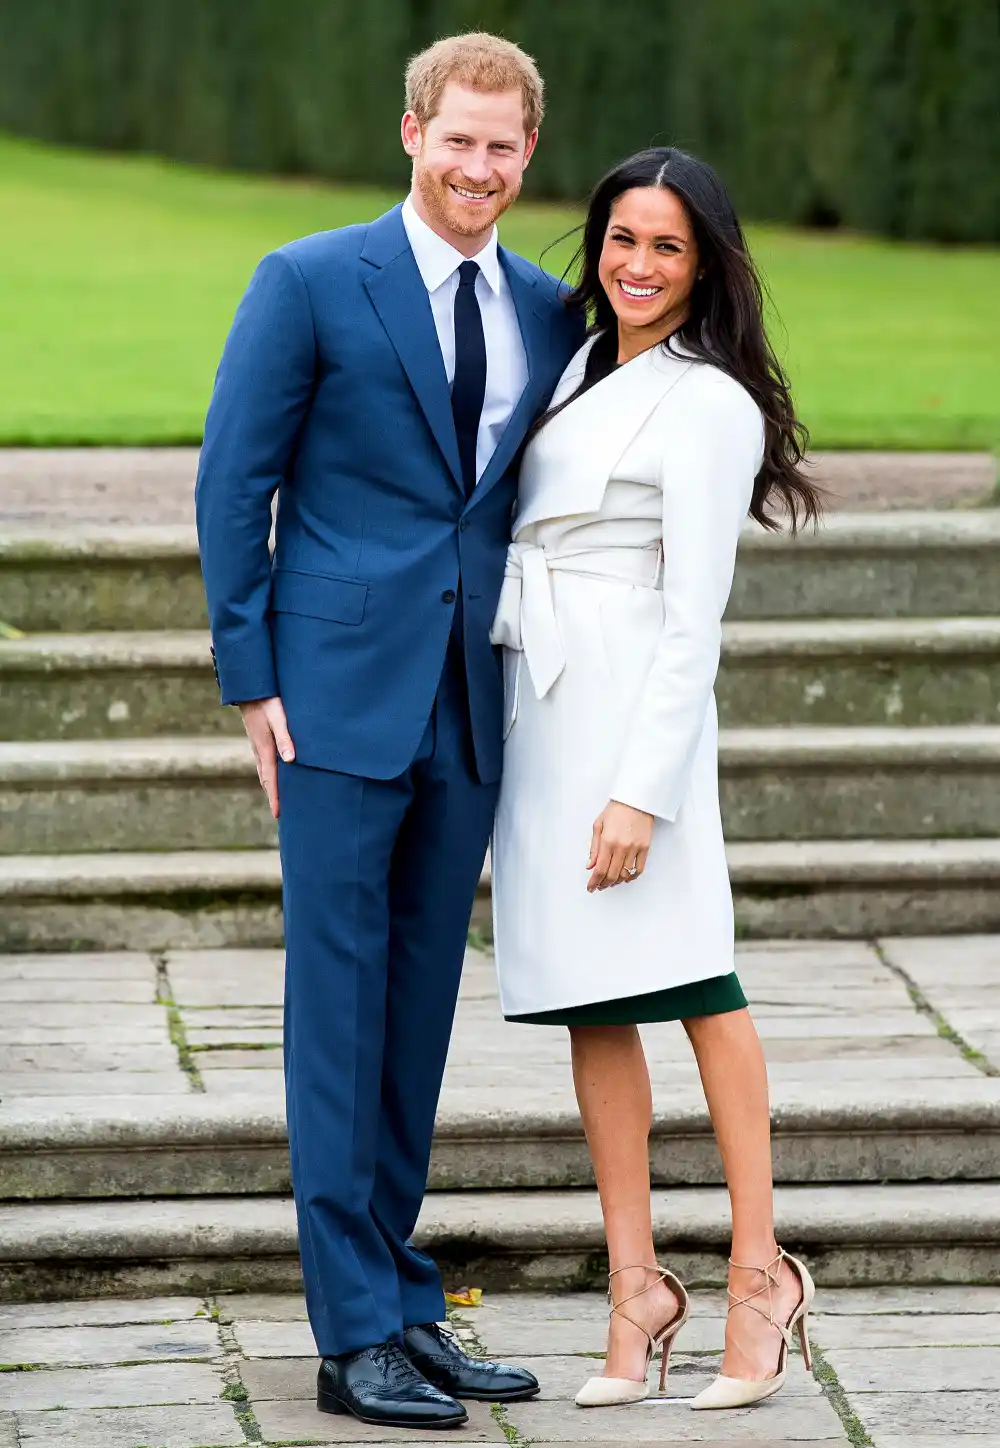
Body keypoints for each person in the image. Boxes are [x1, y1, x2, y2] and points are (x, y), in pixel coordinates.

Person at [196, 33, 585, 1432]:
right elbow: (233, 480)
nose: (479, 166)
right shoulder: (308, 280)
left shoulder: (547, 308)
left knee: (416, 1009)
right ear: (411, 133)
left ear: (528, 155)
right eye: (457, 138)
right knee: (338, 1010)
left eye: (502, 146)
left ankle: (403, 1298)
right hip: (334, 698)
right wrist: (252, 676)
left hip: (471, 702)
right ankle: (350, 1328)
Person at [490, 147, 824, 1412]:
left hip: (637, 709)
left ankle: (758, 1273)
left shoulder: (709, 402)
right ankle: (634, 1289)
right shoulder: (575, 364)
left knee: (698, 984)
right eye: (621, 239)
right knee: (592, 998)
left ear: (705, 264)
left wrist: (643, 789)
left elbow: (694, 620)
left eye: (667, 246)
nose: (637, 265)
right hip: (543, 706)